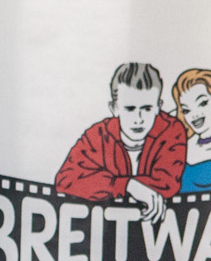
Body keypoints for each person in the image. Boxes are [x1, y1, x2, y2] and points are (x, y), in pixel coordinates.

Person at [54, 61, 187, 223]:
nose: (139, 119)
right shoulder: (98, 135)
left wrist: (105, 184)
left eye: (147, 109)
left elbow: (167, 184)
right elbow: (65, 180)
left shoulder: (172, 130)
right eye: (130, 109)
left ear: (158, 107)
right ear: (114, 108)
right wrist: (127, 185)